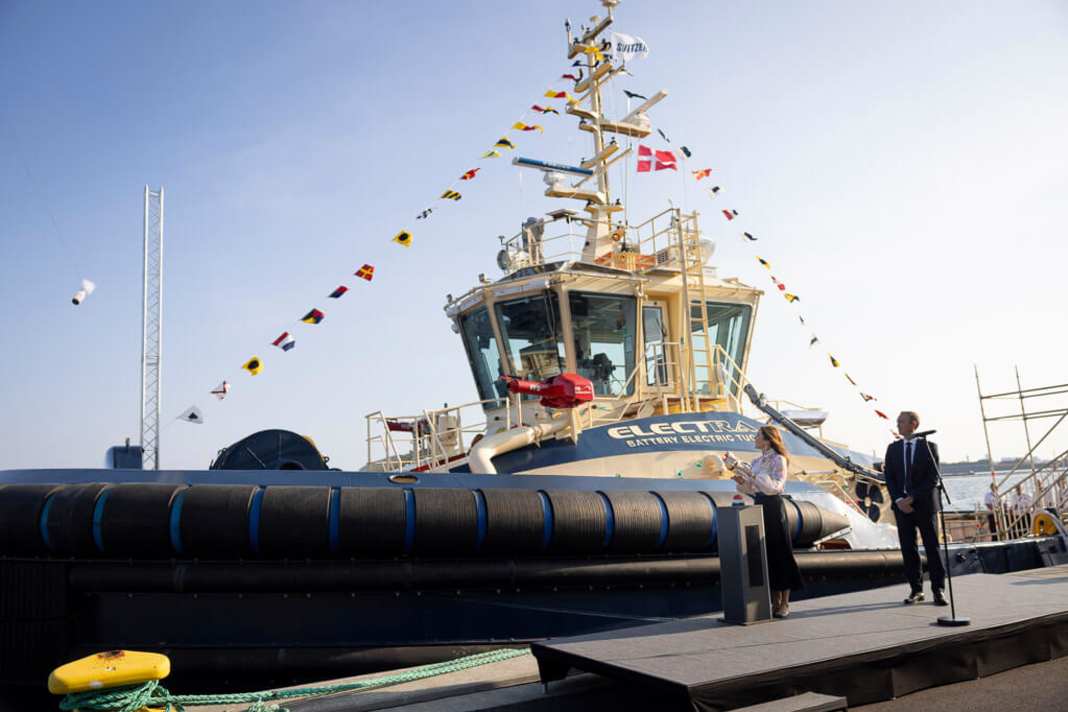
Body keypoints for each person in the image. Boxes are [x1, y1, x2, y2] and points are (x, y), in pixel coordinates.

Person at [723, 425, 803, 618]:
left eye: (758, 436)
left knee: (780, 551)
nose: (755, 438)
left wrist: (750, 474)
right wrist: (743, 482)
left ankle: (784, 603)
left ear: (767, 439)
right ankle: (774, 601)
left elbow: (774, 487)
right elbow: (755, 489)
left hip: (774, 508)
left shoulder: (778, 459)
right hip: (759, 505)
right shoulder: (757, 461)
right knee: (766, 553)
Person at [884, 411, 947, 606]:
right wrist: (898, 500)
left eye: (901, 421)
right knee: (908, 549)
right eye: (897, 422)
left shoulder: (929, 447)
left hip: (924, 505)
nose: (898, 424)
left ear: (914, 424)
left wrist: (913, 498)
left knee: (932, 547)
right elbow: (890, 477)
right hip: (902, 507)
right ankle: (916, 590)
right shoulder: (892, 449)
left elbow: (933, 478)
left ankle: (938, 590)